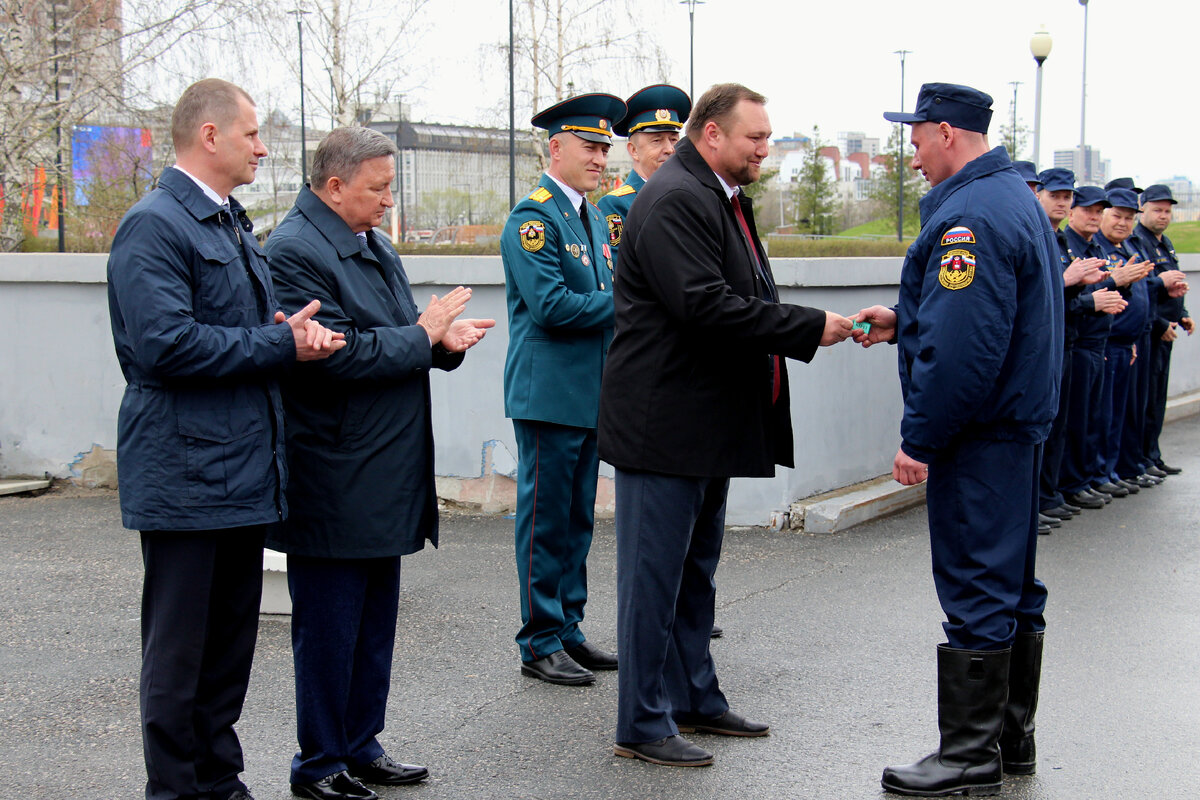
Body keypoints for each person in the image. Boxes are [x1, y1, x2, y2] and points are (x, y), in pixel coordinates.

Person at [598, 83, 853, 768]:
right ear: (711, 134)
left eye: (768, 138)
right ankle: (642, 722)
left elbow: (739, 296)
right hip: (665, 428)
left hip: (699, 424)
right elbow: (706, 308)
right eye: (756, 139)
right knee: (654, 579)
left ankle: (692, 696)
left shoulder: (714, 195)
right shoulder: (680, 198)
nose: (765, 150)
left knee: (693, 574)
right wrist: (810, 327)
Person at [106, 78, 344, 800]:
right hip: (186, 475)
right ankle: (176, 790)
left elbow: (225, 332)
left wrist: (281, 333)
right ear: (209, 137)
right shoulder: (156, 224)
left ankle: (219, 782)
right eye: (251, 134)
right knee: (180, 657)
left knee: (227, 654)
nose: (262, 148)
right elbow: (164, 347)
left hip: (237, 474)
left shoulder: (228, 222)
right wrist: (278, 349)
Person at [264, 127, 493, 800]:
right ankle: (319, 765)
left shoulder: (370, 243)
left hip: (380, 470)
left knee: (371, 627)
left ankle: (361, 746)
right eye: (379, 188)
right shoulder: (293, 252)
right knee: (329, 631)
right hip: (333, 472)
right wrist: (422, 334)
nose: (389, 201)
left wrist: (442, 342)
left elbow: (396, 336)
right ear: (334, 187)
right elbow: (334, 354)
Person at [854, 82, 1061, 796]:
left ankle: (968, 757)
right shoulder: (1011, 197)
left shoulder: (968, 215)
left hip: (980, 436)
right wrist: (905, 320)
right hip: (1014, 429)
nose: (909, 151)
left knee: (975, 584)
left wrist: (921, 438)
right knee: (1011, 586)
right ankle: (1010, 741)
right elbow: (975, 320)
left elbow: (967, 347)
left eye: (915, 136)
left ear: (947, 132)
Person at [501, 93, 627, 686]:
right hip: (549, 393)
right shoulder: (533, 218)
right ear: (556, 147)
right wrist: (628, 305)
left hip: (589, 391)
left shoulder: (593, 215)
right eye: (590, 146)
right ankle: (538, 639)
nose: (602, 157)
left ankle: (568, 628)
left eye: (606, 147)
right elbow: (551, 306)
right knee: (546, 519)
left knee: (579, 518)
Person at [1035, 169, 1105, 525]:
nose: (1062, 202)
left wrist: (1079, 285)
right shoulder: (1038, 235)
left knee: (1068, 423)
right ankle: (1039, 499)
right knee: (1042, 427)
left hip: (1070, 343)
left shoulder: (1057, 239)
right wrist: (1072, 285)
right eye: (1055, 195)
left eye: (1067, 197)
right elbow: (1033, 296)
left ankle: (1052, 491)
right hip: (1043, 347)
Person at [1058, 186, 1128, 510]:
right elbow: (1063, 300)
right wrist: (1104, 293)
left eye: (1099, 212)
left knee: (1091, 418)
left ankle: (1081, 481)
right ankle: (1068, 485)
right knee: (1072, 422)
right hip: (1077, 343)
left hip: (1098, 343)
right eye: (1089, 210)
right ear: (1073, 212)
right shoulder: (1067, 245)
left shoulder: (1092, 245)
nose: (1094, 217)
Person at [1092, 189, 1155, 496]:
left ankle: (1111, 469)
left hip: (1125, 343)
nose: (1123, 223)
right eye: (1117, 215)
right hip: (1104, 343)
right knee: (1100, 417)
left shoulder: (1128, 247)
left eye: (1129, 218)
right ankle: (1099, 473)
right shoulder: (1098, 249)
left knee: (1119, 414)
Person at [1132, 184, 1192, 475]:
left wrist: (1184, 314)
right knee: (1144, 400)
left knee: (1157, 399)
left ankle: (1152, 455)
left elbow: (1172, 284)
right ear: (1143, 208)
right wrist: (1159, 323)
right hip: (1151, 332)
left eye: (1167, 211)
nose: (1163, 216)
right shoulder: (1138, 240)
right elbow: (1142, 291)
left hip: (1167, 329)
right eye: (1157, 209)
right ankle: (1142, 457)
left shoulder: (1163, 242)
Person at [598, 84, 691, 267]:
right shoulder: (616, 205)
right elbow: (620, 272)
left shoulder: (688, 199)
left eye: (673, 139)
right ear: (634, 151)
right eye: (657, 141)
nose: (670, 149)